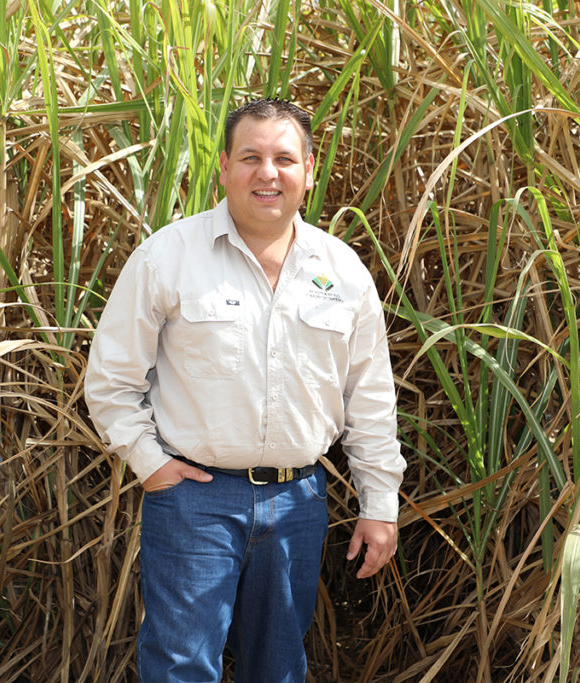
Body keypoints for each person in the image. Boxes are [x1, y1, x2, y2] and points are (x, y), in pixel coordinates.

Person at [84, 98, 406, 682]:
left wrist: (380, 503)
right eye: (251, 156)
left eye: (284, 158)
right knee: (181, 666)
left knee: (279, 666)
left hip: (299, 503)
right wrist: (149, 463)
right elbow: (110, 379)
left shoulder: (343, 271)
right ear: (225, 168)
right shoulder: (168, 258)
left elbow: (371, 399)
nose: (268, 173)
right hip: (194, 501)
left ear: (309, 169)